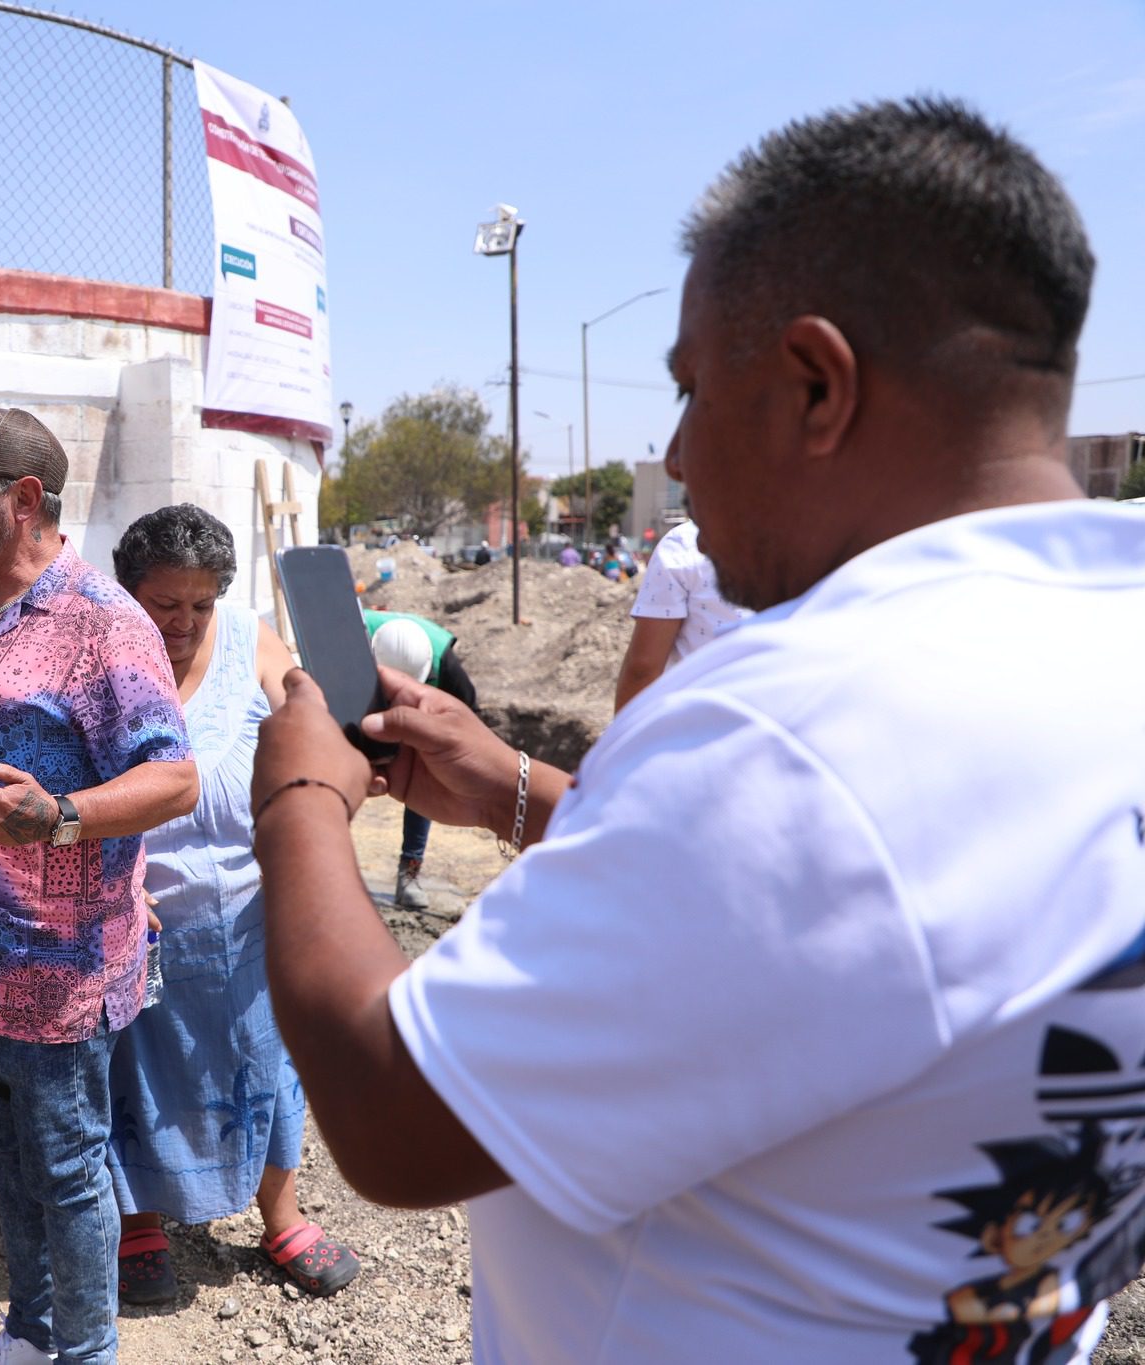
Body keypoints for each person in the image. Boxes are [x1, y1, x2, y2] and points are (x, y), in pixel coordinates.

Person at [248, 97, 1145, 1363]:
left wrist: (298, 797)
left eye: (684, 391)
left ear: (815, 385)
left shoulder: (800, 730)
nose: (670, 450)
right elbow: (865, 929)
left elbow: (392, 1116)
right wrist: (513, 787)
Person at [0, 408, 198, 1365]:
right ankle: (32, 1330)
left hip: (58, 965)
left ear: (22, 501)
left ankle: (87, 1350)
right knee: (16, 1164)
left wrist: (57, 815)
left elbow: (174, 777)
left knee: (67, 1167)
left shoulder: (102, 621)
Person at [105, 505, 358, 1306]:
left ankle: (279, 1213)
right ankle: (139, 1216)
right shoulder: (101, 656)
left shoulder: (250, 639)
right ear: (129, 593)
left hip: (253, 913)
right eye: (163, 604)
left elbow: (311, 708)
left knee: (269, 1061)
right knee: (137, 1072)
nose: (182, 623)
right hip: (141, 922)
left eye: (199, 605)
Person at [361, 610, 478, 913]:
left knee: (427, 772)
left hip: (421, 716)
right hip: (364, 697)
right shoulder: (354, 632)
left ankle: (410, 871)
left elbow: (470, 724)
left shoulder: (447, 666)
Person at [613, 518, 751, 711]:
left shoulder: (682, 544)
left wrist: (622, 737)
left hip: (700, 725)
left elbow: (643, 667)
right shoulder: (800, 538)